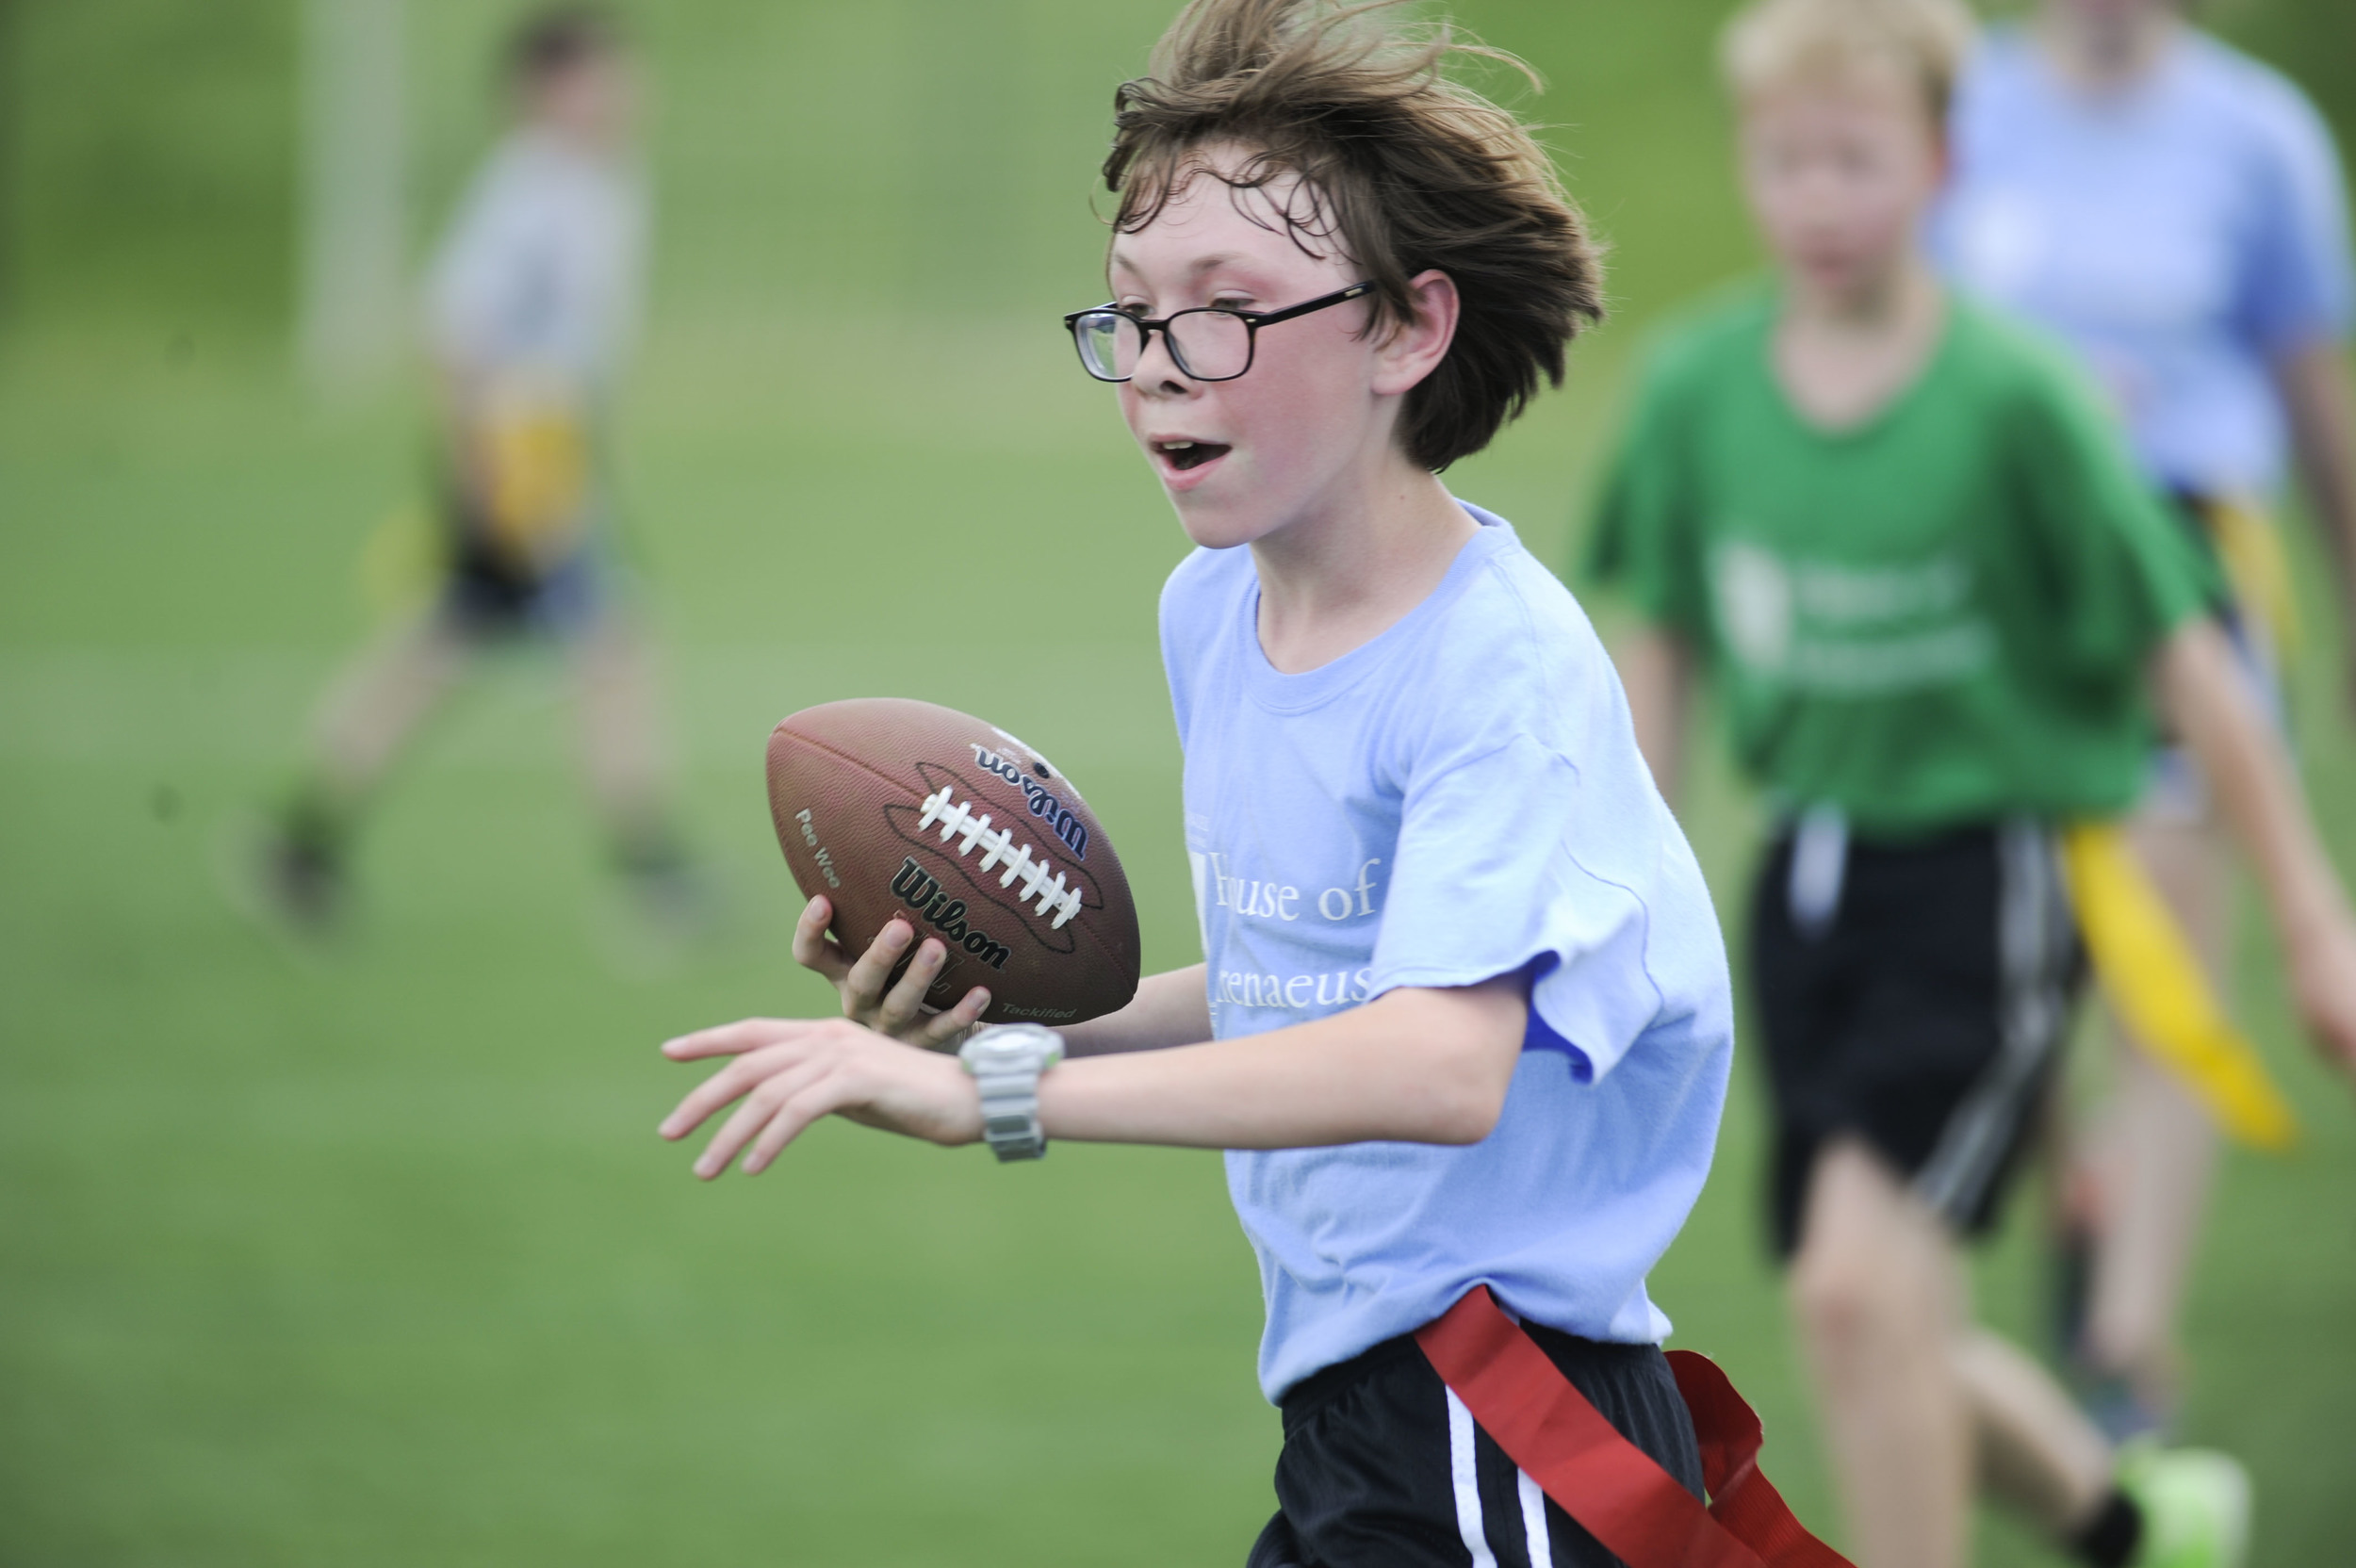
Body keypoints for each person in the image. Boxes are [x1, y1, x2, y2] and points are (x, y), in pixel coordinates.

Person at [656, 2, 1778, 1561]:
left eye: (1225, 313)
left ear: (1406, 327)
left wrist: (1004, 1095)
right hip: (1365, 1417)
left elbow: (1436, 1063)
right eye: (1130, 315)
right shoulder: (1218, 612)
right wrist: (1007, 1009)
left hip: (1497, 1423)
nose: (1161, 367)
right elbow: (1303, 985)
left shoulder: (1494, 667)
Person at [1581, 0, 2356, 1563]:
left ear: (1942, 162)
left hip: (1984, 880)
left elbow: (2193, 664)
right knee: (1872, 1317)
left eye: (1856, 161)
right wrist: (1621, 877)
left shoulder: (2019, 397)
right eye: (1785, 161)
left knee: (1860, 1287)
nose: (1817, 197)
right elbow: (1656, 646)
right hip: (1802, 885)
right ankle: (2128, 1519)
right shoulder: (1695, 389)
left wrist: (2315, 917)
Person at [1929, 0, 2356, 1441]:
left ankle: (2127, 1349)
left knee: (2163, 958)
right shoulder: (1960, 106)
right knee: (2017, 946)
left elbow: (2315, 402)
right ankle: (2082, 1202)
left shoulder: (2257, 139)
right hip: (1992, 588)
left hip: (2179, 578)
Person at [259, 7, 695, 931]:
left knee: (441, 650)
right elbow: (456, 331)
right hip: (513, 455)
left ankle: (299, 843)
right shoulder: (529, 191)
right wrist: (492, 474)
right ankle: (651, 875)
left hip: (548, 451)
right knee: (611, 646)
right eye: (598, 75)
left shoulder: (596, 182)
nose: (622, 90)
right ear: (544, 90)